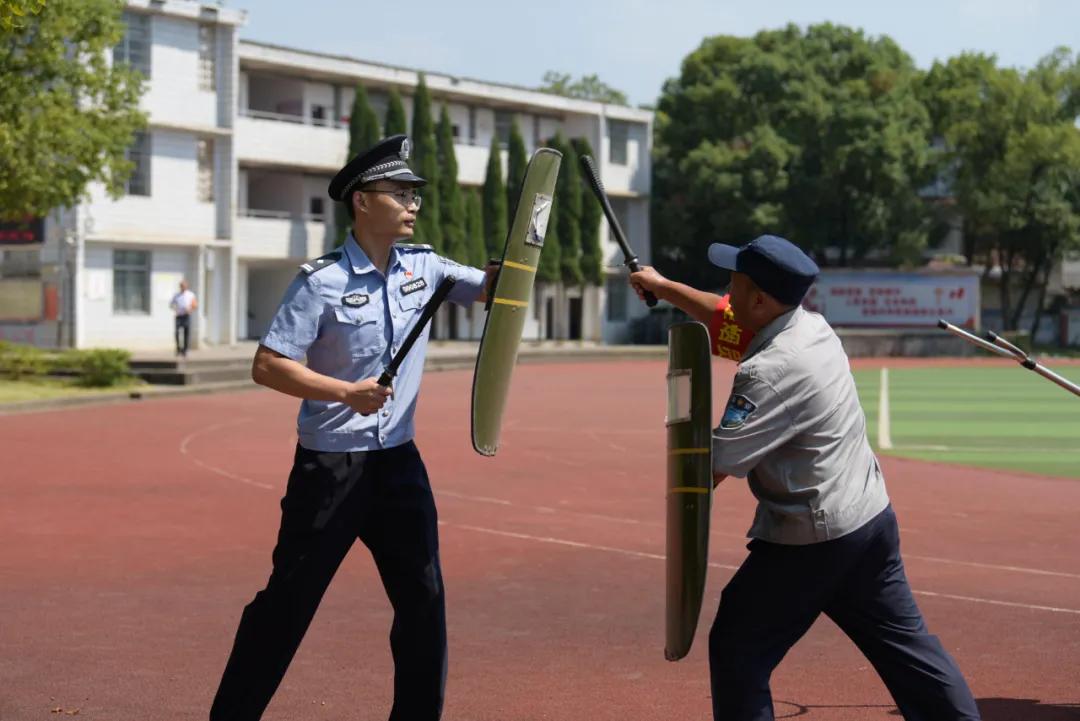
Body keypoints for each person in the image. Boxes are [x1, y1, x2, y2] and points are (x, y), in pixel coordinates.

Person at [630, 235, 980, 721]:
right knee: (909, 652)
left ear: (759, 299)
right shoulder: (810, 327)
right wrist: (664, 287)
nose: (726, 289)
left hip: (815, 539)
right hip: (869, 518)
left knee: (738, 646)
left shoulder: (769, 371)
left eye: (735, 281)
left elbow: (710, 467)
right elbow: (720, 317)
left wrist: (677, 496)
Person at [209, 135, 498, 721]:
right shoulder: (320, 282)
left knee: (423, 600)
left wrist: (518, 254)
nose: (413, 201)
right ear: (363, 202)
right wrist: (346, 392)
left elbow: (494, 290)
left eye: (415, 192)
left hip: (399, 464)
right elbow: (268, 365)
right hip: (331, 468)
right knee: (288, 602)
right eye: (400, 192)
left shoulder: (429, 268)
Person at [170, 280, 197, 356]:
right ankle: (178, 348)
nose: (183, 287)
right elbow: (171, 304)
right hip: (179, 315)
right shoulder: (176, 295)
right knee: (177, 332)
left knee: (186, 333)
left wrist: (190, 309)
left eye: (184, 286)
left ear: (187, 286)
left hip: (186, 315)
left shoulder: (190, 295)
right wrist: (175, 309)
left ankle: (185, 350)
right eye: (182, 286)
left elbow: (195, 305)